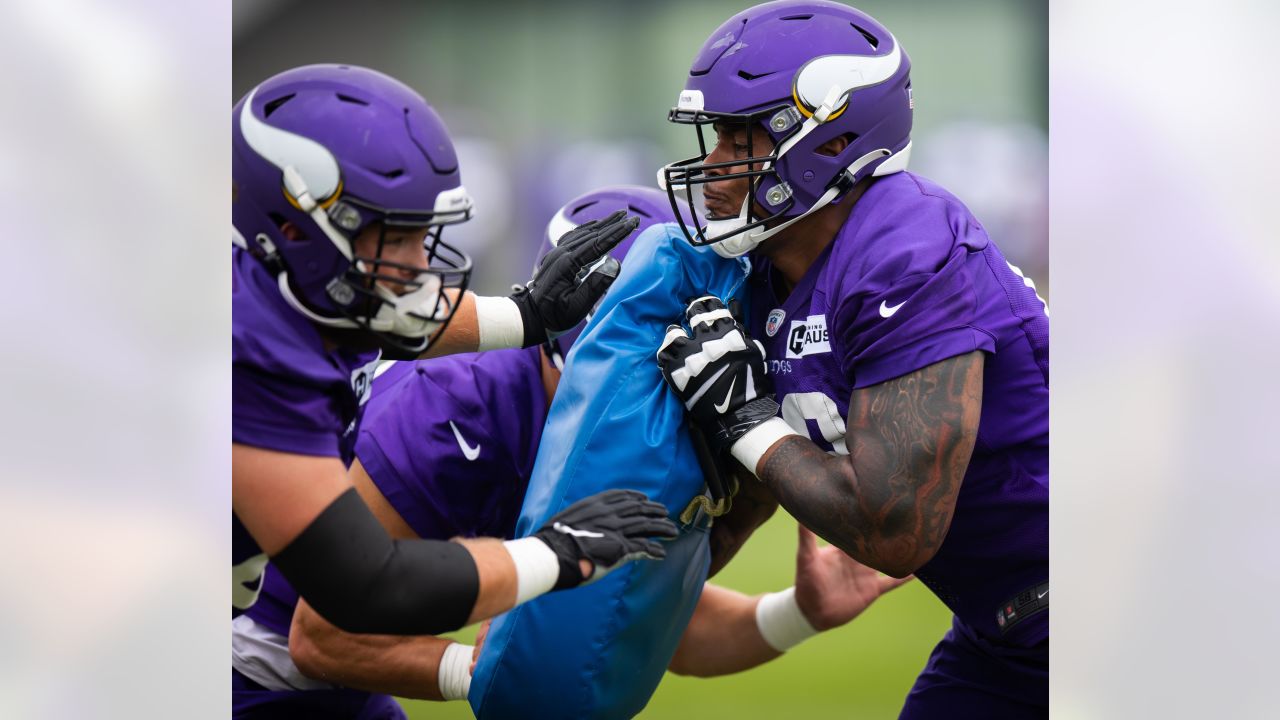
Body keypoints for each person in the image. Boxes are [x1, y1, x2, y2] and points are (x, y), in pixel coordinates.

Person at [233, 187, 908, 718]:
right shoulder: (459, 408)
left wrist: (798, 614)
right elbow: (322, 637)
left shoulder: (635, 427)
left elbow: (632, 623)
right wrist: (488, 670)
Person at [654, 2, 1049, 717]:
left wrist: (748, 421)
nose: (714, 166)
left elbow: (896, 531)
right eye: (715, 136)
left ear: (832, 143)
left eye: (743, 134)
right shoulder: (764, 277)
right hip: (1006, 637)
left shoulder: (908, 251)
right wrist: (572, 583)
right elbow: (738, 510)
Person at [232, 64, 676, 642]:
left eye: (422, 236)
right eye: (396, 237)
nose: (419, 267)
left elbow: (398, 318)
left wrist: (525, 316)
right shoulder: (249, 357)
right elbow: (366, 584)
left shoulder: (276, 284)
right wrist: (554, 554)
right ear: (294, 230)